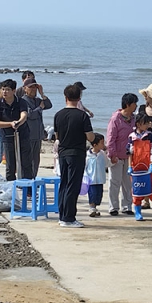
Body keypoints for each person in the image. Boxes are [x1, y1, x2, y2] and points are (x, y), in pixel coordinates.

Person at [53, 83, 95, 228]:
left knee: (64, 184)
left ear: (66, 97)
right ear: (79, 97)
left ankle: (62, 215)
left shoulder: (58, 115)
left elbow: (57, 136)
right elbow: (90, 137)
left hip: (63, 152)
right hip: (76, 153)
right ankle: (69, 218)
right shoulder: (82, 116)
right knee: (73, 185)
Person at [0, 79, 33, 181]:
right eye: (3, 89)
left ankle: (28, 189)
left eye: (8, 90)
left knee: (26, 163)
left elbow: (24, 114)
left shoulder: (21, 101)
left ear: (14, 91)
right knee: (10, 165)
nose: (4, 92)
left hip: (23, 135)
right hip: (7, 137)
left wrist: (18, 122)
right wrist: (10, 123)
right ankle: (11, 190)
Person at [128, 110, 152, 223]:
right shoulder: (132, 137)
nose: (147, 125)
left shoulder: (150, 136)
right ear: (138, 124)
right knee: (137, 189)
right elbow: (129, 153)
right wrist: (130, 167)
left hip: (149, 167)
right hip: (136, 167)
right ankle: (138, 213)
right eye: (145, 123)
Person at [106, 93, 137, 216]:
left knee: (128, 183)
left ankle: (127, 206)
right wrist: (112, 154)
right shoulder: (116, 119)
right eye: (134, 103)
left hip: (130, 156)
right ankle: (113, 207)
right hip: (117, 156)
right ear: (128, 105)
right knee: (115, 182)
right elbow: (110, 138)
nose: (136, 106)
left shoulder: (134, 119)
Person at [20, 76, 52, 177]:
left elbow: (49, 105)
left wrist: (42, 94)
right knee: (27, 160)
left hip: (38, 136)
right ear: (25, 88)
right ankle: (25, 180)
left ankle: (33, 179)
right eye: (31, 87)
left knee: (36, 160)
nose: (33, 89)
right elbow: (30, 115)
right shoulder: (23, 101)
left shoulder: (38, 100)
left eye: (35, 87)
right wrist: (40, 108)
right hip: (28, 135)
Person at [84, 133, 107, 217]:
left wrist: (113, 162)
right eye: (101, 143)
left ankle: (95, 207)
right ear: (95, 145)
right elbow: (84, 166)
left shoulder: (102, 154)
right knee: (92, 194)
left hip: (100, 179)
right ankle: (91, 207)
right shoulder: (87, 155)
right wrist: (85, 176)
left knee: (99, 195)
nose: (103, 145)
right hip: (91, 180)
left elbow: (106, 163)